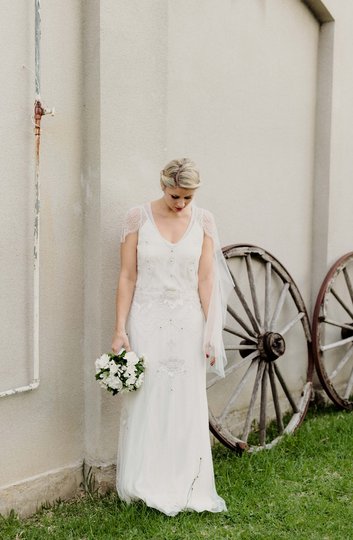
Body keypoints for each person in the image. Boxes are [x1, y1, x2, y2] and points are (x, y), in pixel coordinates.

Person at [112, 158, 233, 516]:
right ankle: (143, 480)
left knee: (185, 400)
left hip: (187, 321)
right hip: (146, 319)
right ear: (162, 185)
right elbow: (127, 277)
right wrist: (119, 328)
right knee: (147, 398)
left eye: (187, 197)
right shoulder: (138, 218)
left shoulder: (205, 221)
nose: (180, 204)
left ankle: (187, 482)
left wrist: (212, 331)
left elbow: (206, 280)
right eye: (174, 195)